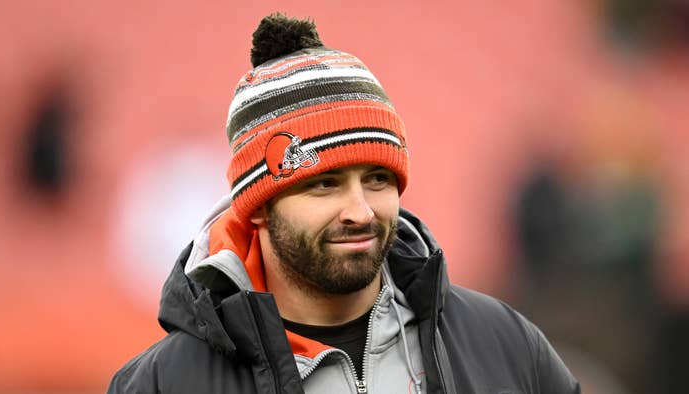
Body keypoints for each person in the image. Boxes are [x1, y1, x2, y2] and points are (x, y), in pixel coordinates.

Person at [108, 13, 580, 394]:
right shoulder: (163, 384)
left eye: (377, 178)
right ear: (257, 206)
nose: (361, 210)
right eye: (325, 184)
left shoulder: (506, 347)